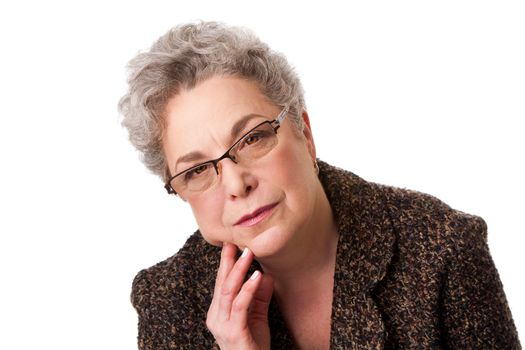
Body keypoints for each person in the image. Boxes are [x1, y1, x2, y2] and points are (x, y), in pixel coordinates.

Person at [119, 21, 521, 349]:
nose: (237, 184)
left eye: (253, 138)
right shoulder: (168, 302)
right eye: (198, 170)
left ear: (304, 133)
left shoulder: (442, 250)